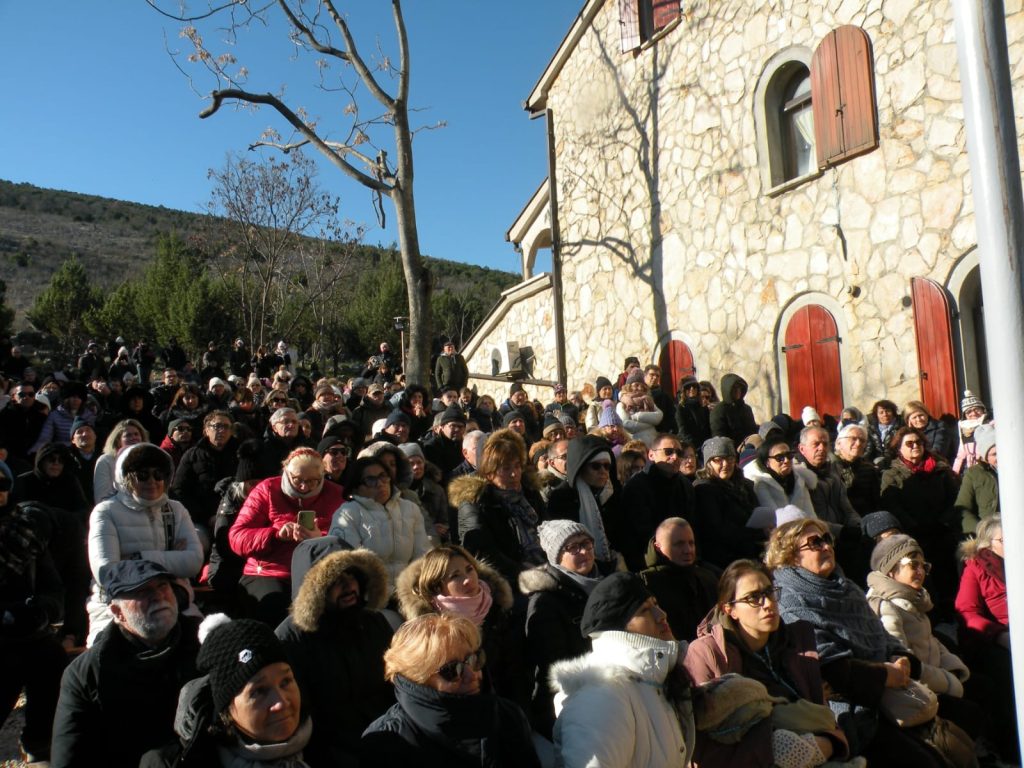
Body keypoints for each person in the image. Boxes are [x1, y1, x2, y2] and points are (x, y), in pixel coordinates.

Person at [767, 518, 949, 767]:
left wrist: (899, 656)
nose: (826, 546)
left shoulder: (846, 587)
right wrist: (884, 674)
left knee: (958, 729)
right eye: (815, 542)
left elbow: (880, 633)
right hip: (847, 710)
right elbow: (830, 669)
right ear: (789, 555)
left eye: (827, 539)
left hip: (891, 690)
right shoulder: (789, 601)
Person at [684, 559, 849, 768]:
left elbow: (825, 717)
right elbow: (703, 745)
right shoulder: (707, 653)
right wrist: (778, 749)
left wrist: (830, 744)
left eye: (769, 592)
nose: (768, 604)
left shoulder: (796, 643)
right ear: (730, 609)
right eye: (753, 598)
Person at [51, 560, 201, 768]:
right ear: (117, 612)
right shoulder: (88, 673)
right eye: (142, 592)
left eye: (163, 585)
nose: (158, 596)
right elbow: (68, 756)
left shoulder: (206, 642)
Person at [550, 571, 695, 768]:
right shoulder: (603, 697)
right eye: (645, 610)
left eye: (656, 604)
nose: (661, 615)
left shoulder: (650, 681)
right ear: (618, 628)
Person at [362, 613, 541, 767]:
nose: (472, 675)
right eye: (451, 670)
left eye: (473, 659)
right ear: (418, 680)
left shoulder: (507, 715)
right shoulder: (388, 741)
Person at [276, 548, 396, 767]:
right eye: (335, 579)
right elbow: (301, 714)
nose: (348, 585)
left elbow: (397, 681)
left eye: (351, 575)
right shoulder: (291, 639)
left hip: (387, 732)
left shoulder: (372, 622)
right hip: (328, 748)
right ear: (313, 591)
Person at [142, 615, 311, 768]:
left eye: (286, 682)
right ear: (226, 709)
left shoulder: (322, 744)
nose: (280, 702)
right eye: (259, 691)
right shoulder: (172, 763)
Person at [86, 443, 203, 645]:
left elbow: (193, 562)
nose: (152, 481)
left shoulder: (175, 510)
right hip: (122, 600)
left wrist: (138, 557)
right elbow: (107, 572)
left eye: (158, 475)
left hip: (173, 595)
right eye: (142, 475)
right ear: (126, 477)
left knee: (200, 643)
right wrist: (172, 559)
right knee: (107, 649)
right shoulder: (106, 511)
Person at [866, 536, 982, 741]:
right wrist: (947, 680)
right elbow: (904, 663)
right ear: (891, 570)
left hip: (934, 676)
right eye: (913, 565)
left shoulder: (912, 598)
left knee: (984, 685)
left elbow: (930, 640)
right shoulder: (886, 606)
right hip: (919, 691)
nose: (920, 571)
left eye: (923, 566)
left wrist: (953, 667)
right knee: (972, 711)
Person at [396, 544, 525, 707]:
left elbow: (519, 672)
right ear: (437, 586)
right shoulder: (431, 634)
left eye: (469, 570)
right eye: (455, 576)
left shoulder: (499, 610)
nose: (468, 579)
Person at [229, 447, 343, 626]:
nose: (304, 487)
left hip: (317, 573)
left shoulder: (336, 495)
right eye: (297, 480)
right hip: (269, 571)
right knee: (276, 608)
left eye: (313, 481)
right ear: (286, 471)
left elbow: (345, 540)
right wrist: (274, 534)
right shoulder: (267, 489)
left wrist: (319, 540)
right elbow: (237, 537)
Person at [518, 521, 610, 737]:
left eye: (586, 544)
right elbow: (555, 668)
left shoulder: (608, 582)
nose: (583, 551)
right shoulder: (545, 602)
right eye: (573, 547)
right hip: (573, 704)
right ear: (557, 557)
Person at [0, 497, 67, 764]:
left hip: (28, 630)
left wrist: (43, 610)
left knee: (52, 659)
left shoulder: (25, 531)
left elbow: (53, 587)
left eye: (3, 484)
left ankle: (39, 744)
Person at [880, 426, 959, 617]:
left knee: (947, 572)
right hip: (913, 534)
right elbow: (891, 504)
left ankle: (952, 609)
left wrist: (944, 521)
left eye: (919, 442)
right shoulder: (891, 474)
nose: (915, 446)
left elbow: (954, 498)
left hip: (941, 530)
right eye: (909, 443)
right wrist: (913, 525)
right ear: (899, 448)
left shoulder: (940, 469)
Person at [451, 428, 546, 587]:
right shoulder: (475, 500)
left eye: (517, 466)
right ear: (488, 472)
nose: (514, 474)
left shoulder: (529, 491)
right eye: (506, 468)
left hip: (545, 565)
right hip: (507, 582)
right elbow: (483, 553)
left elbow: (549, 525)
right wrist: (526, 574)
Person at [956, 517, 1017, 760]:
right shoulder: (976, 567)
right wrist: (999, 636)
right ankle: (1011, 747)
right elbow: (967, 612)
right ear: (989, 544)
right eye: (1003, 539)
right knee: (1005, 676)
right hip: (994, 638)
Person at [329, 455, 430, 590]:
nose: (380, 483)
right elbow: (349, 565)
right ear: (356, 487)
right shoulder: (347, 514)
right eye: (370, 480)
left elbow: (422, 555)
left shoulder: (410, 509)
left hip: (409, 591)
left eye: (383, 476)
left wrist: (413, 591)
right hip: (370, 594)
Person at [544, 433, 631, 570]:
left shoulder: (611, 493)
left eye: (606, 466)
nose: (603, 471)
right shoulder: (562, 497)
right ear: (581, 467)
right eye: (596, 466)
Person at [639, 517, 718, 642]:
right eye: (679, 544)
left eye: (691, 543)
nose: (688, 550)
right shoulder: (646, 583)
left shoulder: (707, 577)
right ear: (658, 547)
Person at [692, 436, 764, 570]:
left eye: (730, 458)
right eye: (718, 460)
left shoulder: (743, 485)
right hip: (726, 559)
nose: (725, 464)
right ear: (708, 463)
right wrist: (751, 534)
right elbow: (717, 529)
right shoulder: (704, 489)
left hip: (753, 550)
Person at [170, 409, 240, 540]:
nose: (221, 430)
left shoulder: (241, 455)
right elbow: (179, 491)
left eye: (226, 427)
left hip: (238, 517)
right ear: (206, 430)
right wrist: (206, 517)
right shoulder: (192, 455)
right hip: (202, 519)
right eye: (217, 426)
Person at [743, 434, 816, 518]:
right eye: (779, 457)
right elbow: (775, 519)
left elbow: (811, 515)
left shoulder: (799, 480)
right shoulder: (760, 483)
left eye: (789, 455)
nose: (786, 460)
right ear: (767, 462)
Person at [954, 423, 997, 534]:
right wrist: (981, 531)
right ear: (985, 457)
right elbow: (962, 509)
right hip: (987, 534)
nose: (1000, 457)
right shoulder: (974, 474)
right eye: (994, 454)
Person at [92, 418, 149, 503]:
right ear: (118, 440)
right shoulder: (105, 461)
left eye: (136, 434)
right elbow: (102, 498)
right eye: (128, 435)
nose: (134, 438)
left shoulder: (149, 460)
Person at [832, 422, 881, 518]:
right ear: (839, 443)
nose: (858, 444)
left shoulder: (869, 470)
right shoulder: (829, 468)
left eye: (862, 440)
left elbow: (876, 502)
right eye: (853, 438)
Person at [615, 369, 663, 447]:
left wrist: (638, 416)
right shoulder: (622, 404)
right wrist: (650, 424)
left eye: (642, 386)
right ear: (629, 386)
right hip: (635, 445)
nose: (640, 388)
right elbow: (627, 425)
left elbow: (658, 416)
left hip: (653, 443)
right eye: (636, 385)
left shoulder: (648, 400)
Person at [710, 372, 757, 445]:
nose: (738, 390)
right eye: (734, 388)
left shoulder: (747, 409)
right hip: (729, 448)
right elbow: (719, 437)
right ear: (728, 390)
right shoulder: (719, 410)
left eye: (739, 387)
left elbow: (753, 431)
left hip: (749, 447)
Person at [676, 375, 711, 449]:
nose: (692, 389)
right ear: (683, 390)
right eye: (688, 387)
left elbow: (708, 428)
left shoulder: (703, 407)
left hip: (705, 445)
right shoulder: (681, 408)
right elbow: (683, 430)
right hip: (689, 445)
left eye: (694, 386)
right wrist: (692, 446)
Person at [866, 399, 901, 465]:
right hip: (877, 461)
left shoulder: (901, 427)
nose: (885, 414)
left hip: (896, 461)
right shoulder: (871, 429)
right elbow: (869, 449)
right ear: (876, 415)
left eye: (888, 411)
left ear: (893, 412)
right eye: (881, 412)